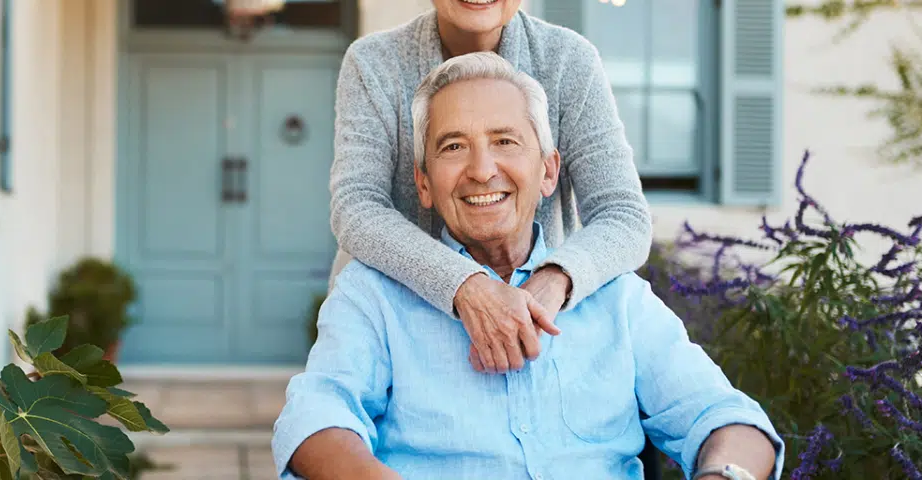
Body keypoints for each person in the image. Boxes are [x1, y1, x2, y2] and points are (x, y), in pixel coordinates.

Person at [278, 52, 783, 480]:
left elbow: (728, 420)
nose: (481, 170)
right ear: (424, 185)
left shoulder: (618, 300)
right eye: (454, 147)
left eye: (505, 141)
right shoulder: (372, 296)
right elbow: (315, 417)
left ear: (548, 171)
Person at [328, 0, 653, 373]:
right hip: (400, 334)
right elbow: (356, 207)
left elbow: (624, 215)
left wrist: (552, 279)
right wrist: (467, 285)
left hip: (533, 323)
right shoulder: (373, 63)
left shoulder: (568, 60)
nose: (482, 172)